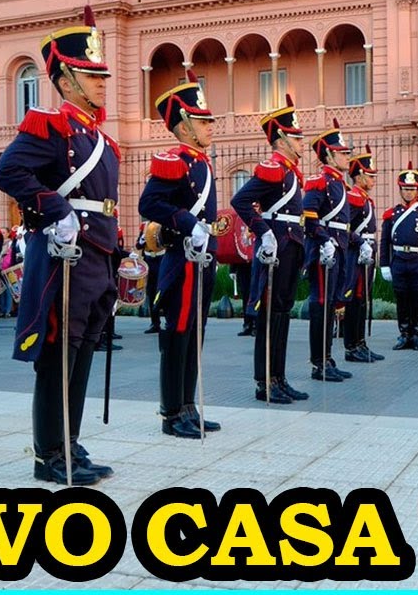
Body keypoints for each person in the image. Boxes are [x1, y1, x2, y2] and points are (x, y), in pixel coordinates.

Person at [0, 9, 120, 486]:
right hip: (63, 257)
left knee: (83, 351)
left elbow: (106, 204)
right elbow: (8, 173)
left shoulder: (101, 138)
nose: (101, 81)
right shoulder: (50, 125)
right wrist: (55, 209)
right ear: (65, 79)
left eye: (101, 73)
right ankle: (49, 453)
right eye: (90, 74)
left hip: (96, 256)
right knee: (57, 355)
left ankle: (69, 439)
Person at [138, 70, 221, 439]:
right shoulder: (176, 160)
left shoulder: (201, 161)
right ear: (184, 125)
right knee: (177, 336)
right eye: (203, 121)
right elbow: (149, 202)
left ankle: (188, 406)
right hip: (182, 260)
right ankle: (171, 413)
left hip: (202, 259)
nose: (210, 127)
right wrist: (187, 223)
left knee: (195, 335)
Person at [230, 95, 310, 405]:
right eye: (296, 136)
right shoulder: (272, 169)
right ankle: (264, 381)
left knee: (282, 314)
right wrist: (262, 232)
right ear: (281, 139)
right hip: (276, 246)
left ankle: (279, 377)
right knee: (269, 316)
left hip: (291, 246)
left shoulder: (290, 171)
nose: (301, 141)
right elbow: (240, 201)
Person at [301, 119, 355, 382]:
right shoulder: (319, 182)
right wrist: (323, 240)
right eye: (343, 152)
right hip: (324, 251)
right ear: (329, 155)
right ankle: (318, 363)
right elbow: (308, 217)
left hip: (339, 248)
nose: (347, 156)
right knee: (321, 305)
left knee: (331, 304)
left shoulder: (339, 184)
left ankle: (328, 358)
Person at [380, 163, 418, 351]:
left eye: (412, 189)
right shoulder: (391, 214)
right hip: (398, 260)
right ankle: (404, 334)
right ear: (400, 190)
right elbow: (384, 243)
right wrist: (384, 265)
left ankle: (417, 334)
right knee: (402, 299)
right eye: (405, 189)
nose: (408, 193)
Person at [340, 146, 383, 365]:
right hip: (356, 254)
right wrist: (360, 243)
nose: (373, 179)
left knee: (363, 299)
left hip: (367, 253)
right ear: (358, 176)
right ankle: (351, 346)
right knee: (354, 300)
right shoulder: (354, 198)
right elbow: (345, 228)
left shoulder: (365, 198)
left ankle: (360, 343)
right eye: (370, 175)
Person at [137, 221, 164, 334]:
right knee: (151, 292)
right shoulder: (144, 226)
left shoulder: (163, 223)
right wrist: (143, 239)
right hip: (149, 260)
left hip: (161, 258)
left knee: (163, 290)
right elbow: (138, 245)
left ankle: (169, 321)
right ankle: (155, 323)